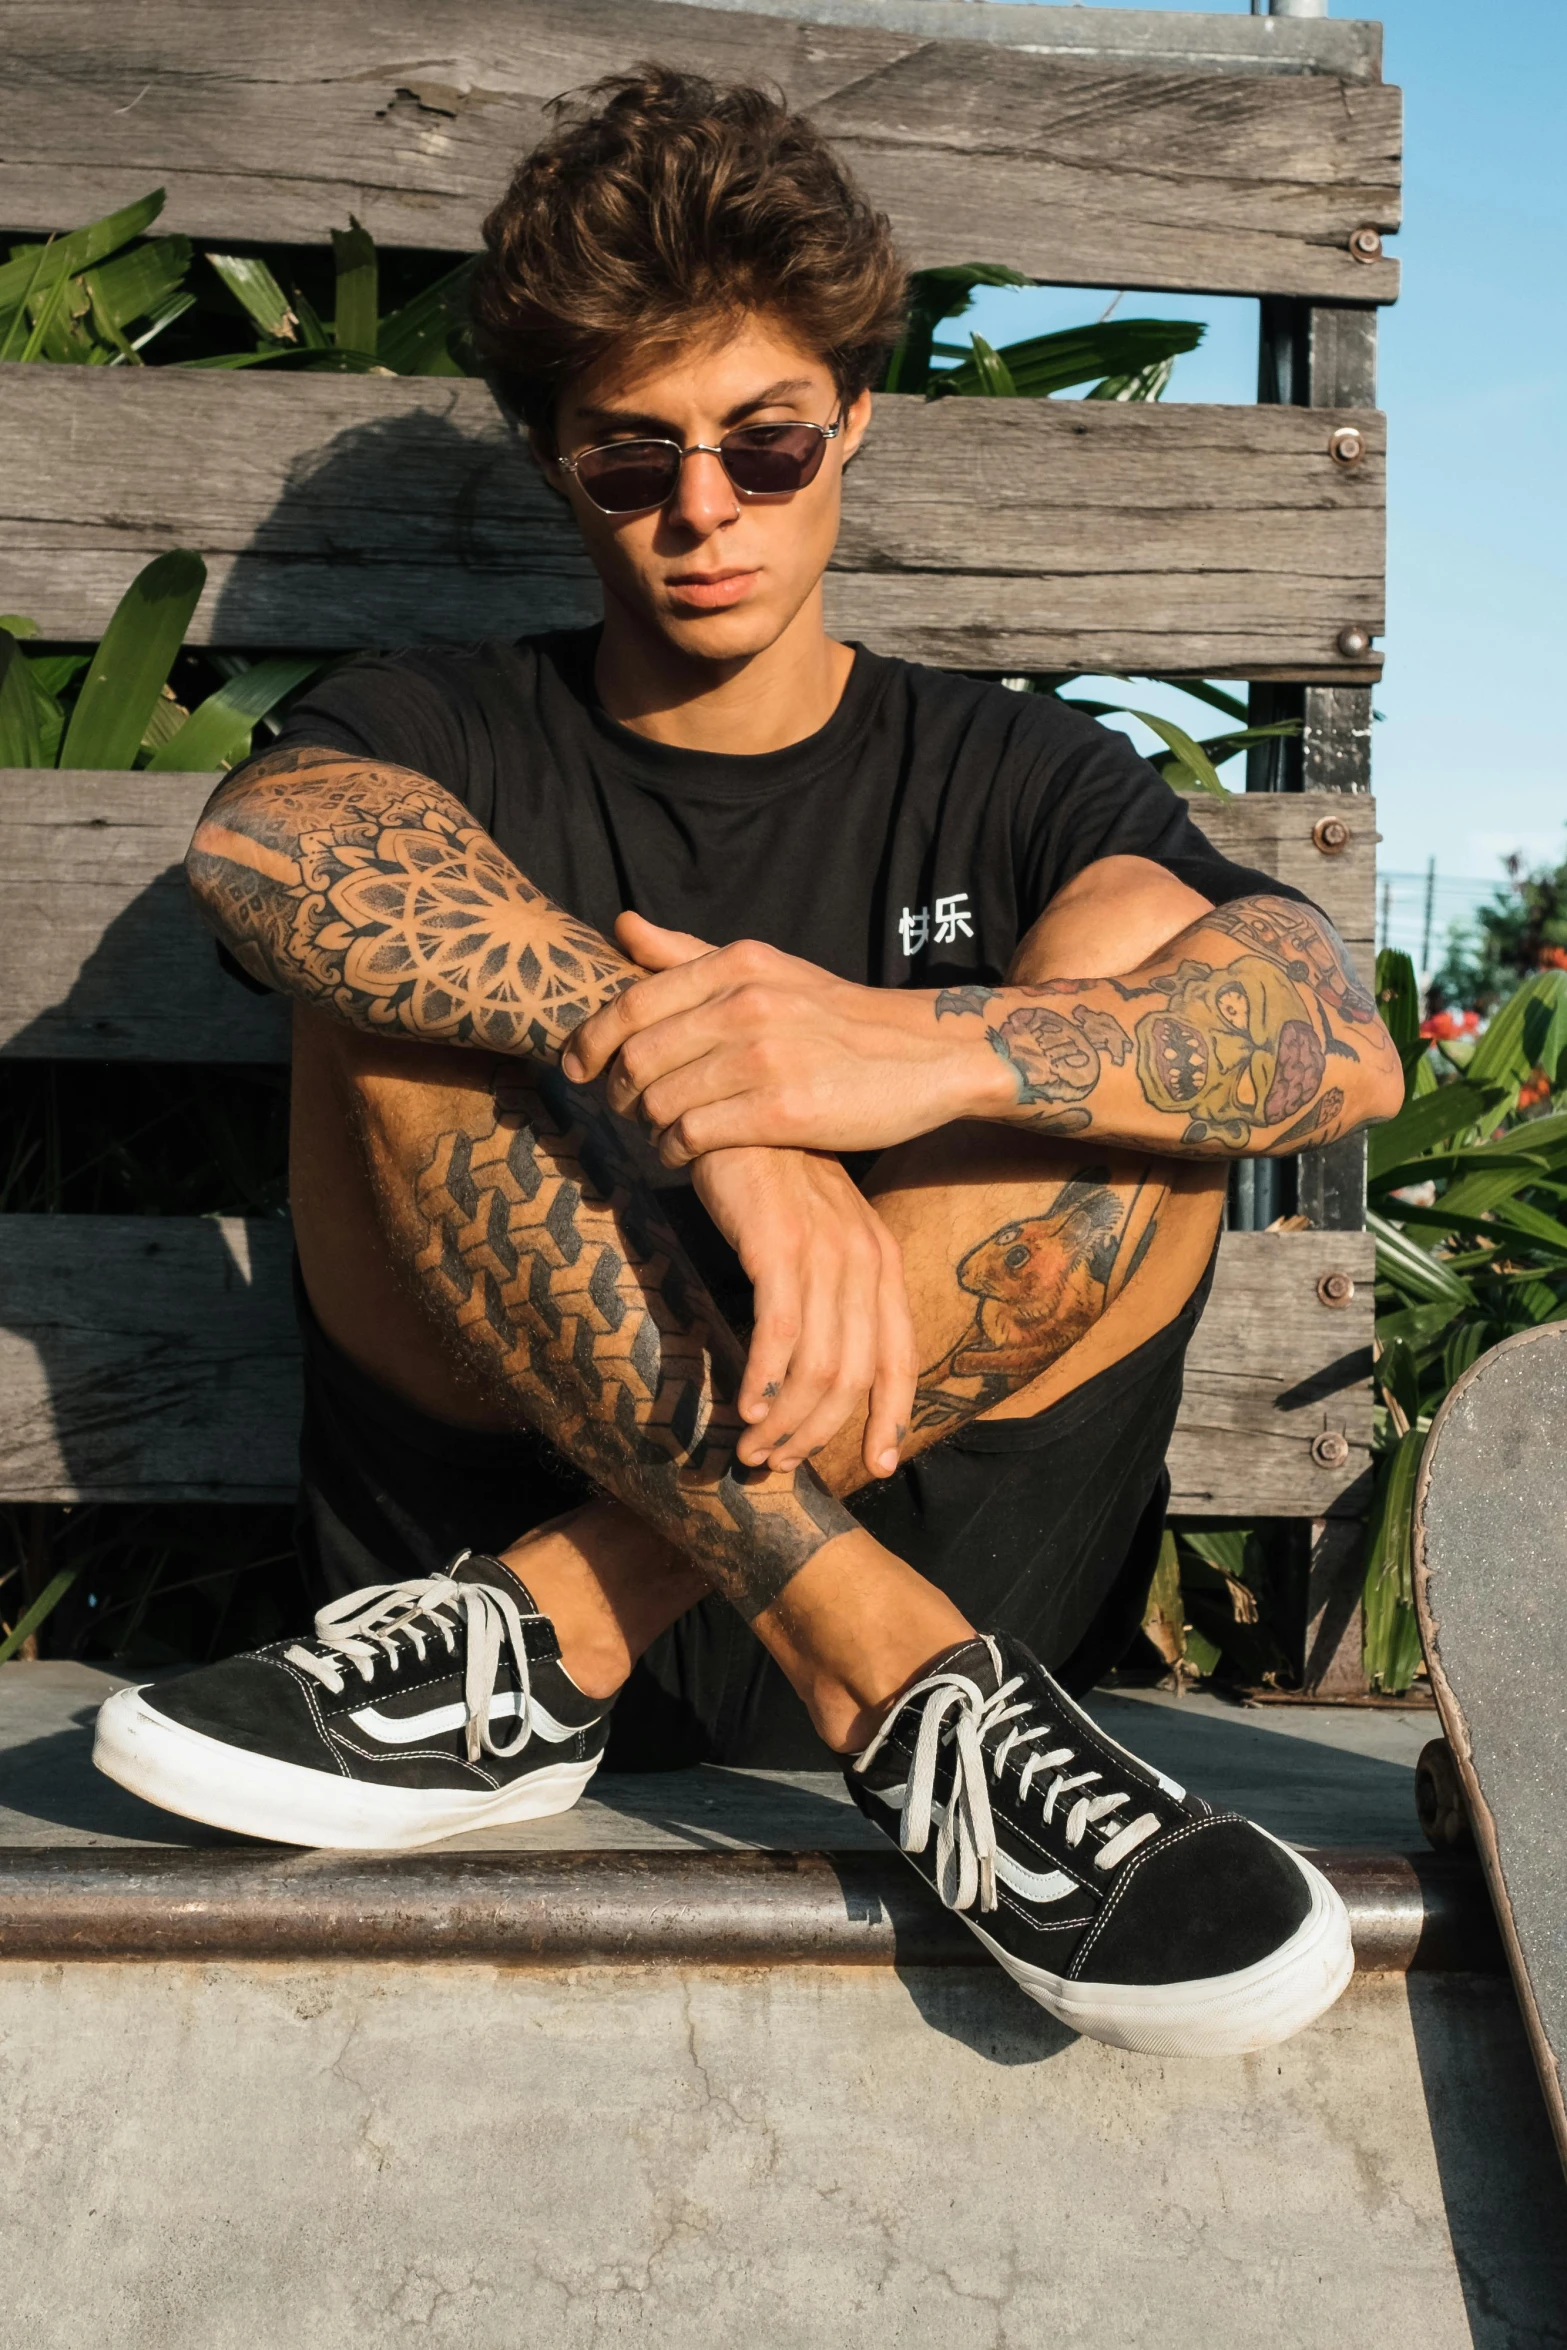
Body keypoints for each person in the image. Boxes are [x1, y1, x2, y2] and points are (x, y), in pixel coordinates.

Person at [94, 68, 1402, 2056]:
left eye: (766, 444)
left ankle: (584, 1612)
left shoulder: (1012, 771)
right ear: (556, 459)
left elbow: (1332, 1041)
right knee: (405, 955)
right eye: (635, 458)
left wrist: (897, 1052)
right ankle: (898, 1681)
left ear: (852, 420)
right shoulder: (450, 726)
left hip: (819, 1571)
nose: (705, 509)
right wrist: (708, 1103)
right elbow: (264, 849)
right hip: (488, 1563)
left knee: (1146, 972)